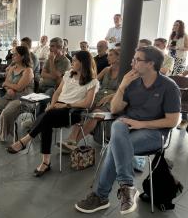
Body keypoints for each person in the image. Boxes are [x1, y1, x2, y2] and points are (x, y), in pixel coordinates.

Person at [75, 46, 180, 215]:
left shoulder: (169, 86)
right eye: (133, 59)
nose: (133, 63)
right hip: (127, 128)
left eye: (137, 60)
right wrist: (123, 86)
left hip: (155, 133)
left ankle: (101, 196)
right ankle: (127, 187)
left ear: (151, 64)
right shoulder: (132, 82)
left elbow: (173, 120)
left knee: (113, 146)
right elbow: (116, 109)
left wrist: (141, 125)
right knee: (117, 124)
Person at [6, 51, 99, 177]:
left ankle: (27, 142)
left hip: (73, 111)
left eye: (75, 60)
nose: (72, 62)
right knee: (47, 119)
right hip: (58, 107)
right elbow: (57, 92)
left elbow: (87, 103)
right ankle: (44, 161)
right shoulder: (68, 75)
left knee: (46, 117)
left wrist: (65, 105)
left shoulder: (92, 82)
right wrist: (52, 104)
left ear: (83, 63)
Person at [62, 48, 120, 149]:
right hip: (98, 96)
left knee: (96, 113)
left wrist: (110, 96)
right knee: (82, 108)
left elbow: (124, 91)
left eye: (111, 55)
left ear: (119, 57)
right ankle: (71, 138)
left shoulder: (124, 72)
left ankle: (74, 142)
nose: (108, 57)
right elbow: (92, 81)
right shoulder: (106, 70)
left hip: (112, 100)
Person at [0, 46, 34, 141]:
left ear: (22, 57)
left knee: (6, 113)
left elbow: (19, 87)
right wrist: (8, 88)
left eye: (15, 54)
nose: (12, 56)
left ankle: (7, 133)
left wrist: (8, 84)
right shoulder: (12, 68)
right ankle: (1, 129)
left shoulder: (28, 71)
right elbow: (6, 84)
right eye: (13, 53)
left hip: (23, 98)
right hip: (9, 95)